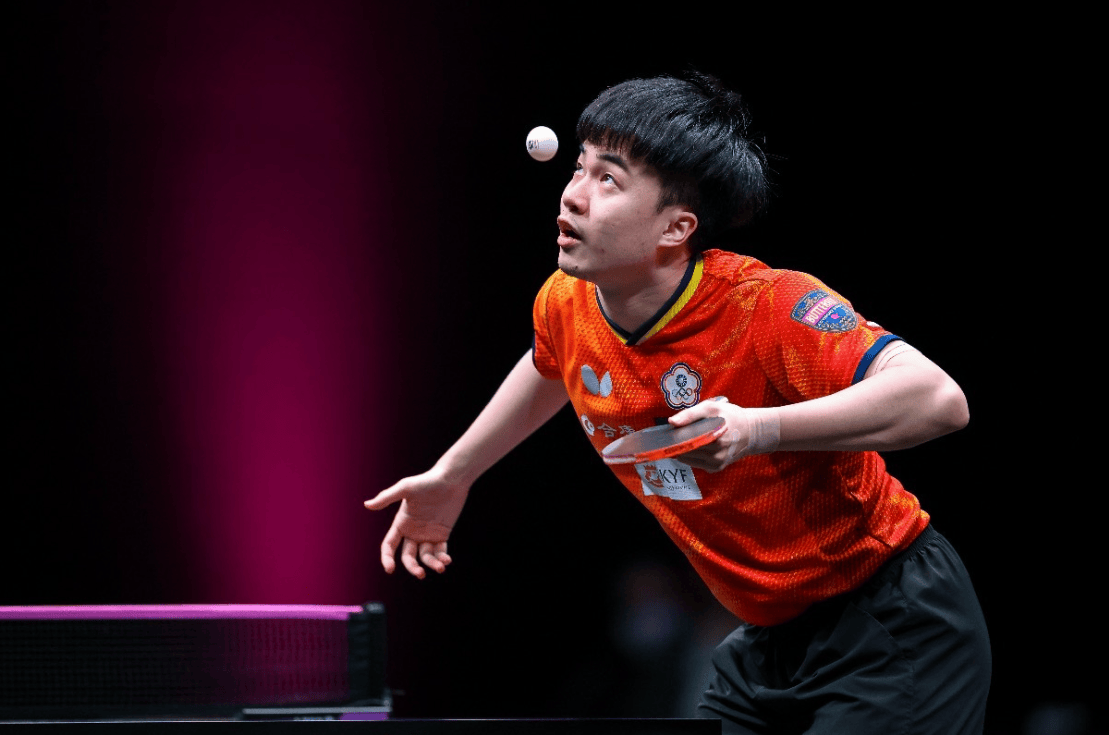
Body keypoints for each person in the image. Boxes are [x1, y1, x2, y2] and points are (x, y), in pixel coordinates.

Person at [364, 72, 991, 734]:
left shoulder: (766, 309)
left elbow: (938, 399)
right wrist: (456, 472)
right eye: (579, 168)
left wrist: (759, 429)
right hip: (766, 638)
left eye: (609, 180)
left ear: (676, 226)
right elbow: (552, 362)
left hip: (891, 619)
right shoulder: (566, 303)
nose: (572, 195)